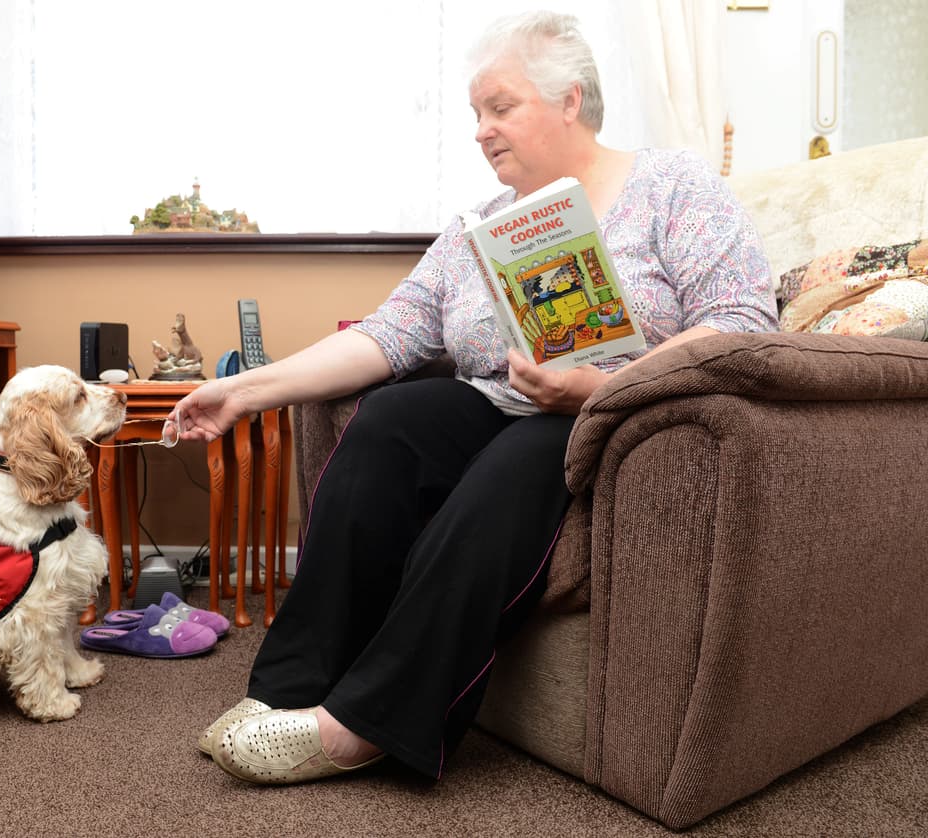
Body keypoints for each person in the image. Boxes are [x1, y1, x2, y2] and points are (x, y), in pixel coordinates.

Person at [166, 10, 778, 786]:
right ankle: (284, 692)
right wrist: (241, 391)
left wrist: (606, 384)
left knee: (525, 452)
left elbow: (740, 321)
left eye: (501, 107)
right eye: (476, 114)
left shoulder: (673, 187)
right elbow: (387, 336)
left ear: (570, 101)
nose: (482, 131)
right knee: (392, 417)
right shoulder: (473, 230)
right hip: (503, 401)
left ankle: (360, 728)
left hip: (616, 416)